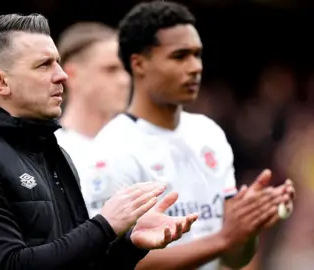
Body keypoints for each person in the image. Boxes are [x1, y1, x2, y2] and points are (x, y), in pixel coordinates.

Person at [0, 13, 198, 270]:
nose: (62, 75)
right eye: (44, 65)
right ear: (0, 83)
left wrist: (130, 244)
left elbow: (75, 263)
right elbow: (10, 265)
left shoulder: (51, 151)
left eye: (57, 61)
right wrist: (105, 225)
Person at [82, 1, 296, 270]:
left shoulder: (209, 133)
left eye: (198, 54)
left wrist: (247, 227)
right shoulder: (113, 147)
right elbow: (115, 263)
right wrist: (223, 238)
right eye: (180, 56)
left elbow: (233, 258)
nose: (195, 67)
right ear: (139, 64)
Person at [54, 22, 131, 211]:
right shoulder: (49, 150)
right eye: (110, 69)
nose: (125, 80)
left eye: (126, 69)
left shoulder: (138, 142)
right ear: (72, 75)